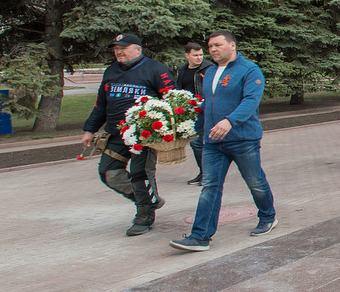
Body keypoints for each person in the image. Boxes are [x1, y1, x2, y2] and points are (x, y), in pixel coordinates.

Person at [169, 30, 278, 251]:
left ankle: (268, 216)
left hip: (242, 139)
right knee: (210, 186)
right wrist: (189, 122)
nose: (213, 50)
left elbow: (251, 101)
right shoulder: (209, 72)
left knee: (255, 181)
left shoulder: (249, 70)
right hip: (213, 141)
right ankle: (200, 236)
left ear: (232, 46)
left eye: (217, 45)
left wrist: (230, 121)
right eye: (210, 46)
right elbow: (207, 104)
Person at [81, 33, 174, 237]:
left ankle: (144, 216)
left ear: (138, 49)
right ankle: (149, 200)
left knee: (141, 175)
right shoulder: (111, 71)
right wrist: (90, 129)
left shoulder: (156, 69)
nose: (118, 51)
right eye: (116, 48)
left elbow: (171, 101)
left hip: (144, 135)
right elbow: (101, 104)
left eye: (123, 47)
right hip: (116, 134)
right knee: (109, 173)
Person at [174, 41, 214, 185]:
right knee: (196, 144)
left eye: (201, 55)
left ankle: (207, 175)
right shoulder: (183, 70)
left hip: (205, 110)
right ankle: (203, 173)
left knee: (200, 142)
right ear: (187, 55)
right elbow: (179, 89)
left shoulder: (208, 68)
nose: (199, 58)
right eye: (195, 55)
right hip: (190, 112)